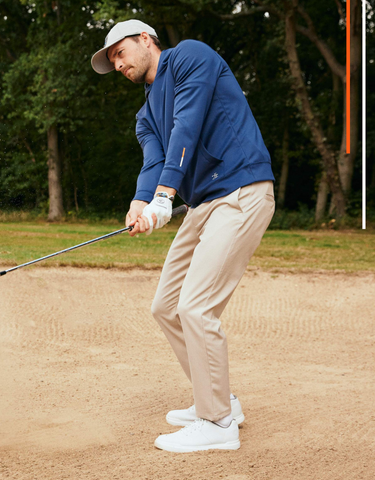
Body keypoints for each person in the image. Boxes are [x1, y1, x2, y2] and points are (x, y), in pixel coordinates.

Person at [91, 19, 275, 453]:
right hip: (202, 206)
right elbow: (154, 159)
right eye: (111, 60)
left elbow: (187, 126)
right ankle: (217, 398)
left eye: (120, 52)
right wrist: (142, 202)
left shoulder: (190, 56)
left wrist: (163, 196)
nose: (117, 64)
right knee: (167, 306)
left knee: (195, 306)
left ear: (145, 39)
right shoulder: (144, 115)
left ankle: (217, 424)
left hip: (240, 190)